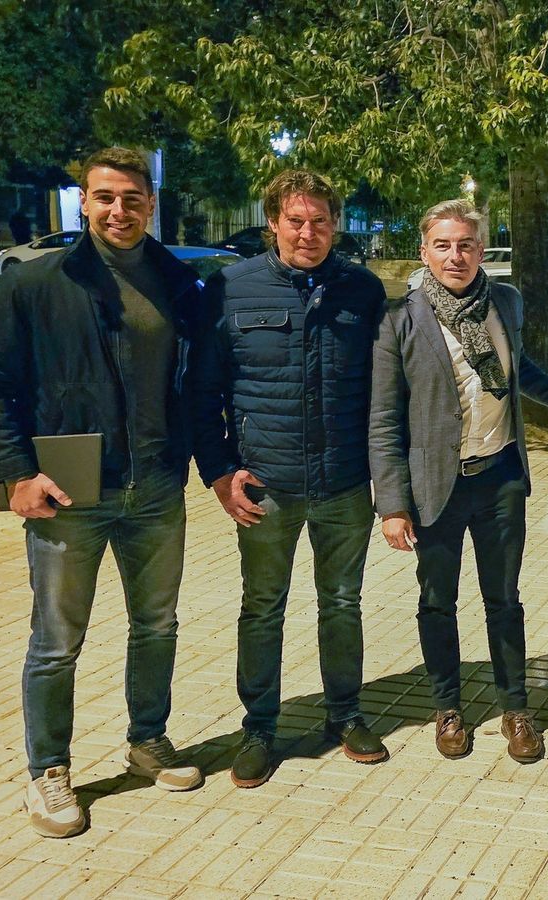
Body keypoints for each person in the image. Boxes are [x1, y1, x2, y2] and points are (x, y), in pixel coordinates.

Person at [0, 147, 204, 838]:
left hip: (156, 487)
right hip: (68, 492)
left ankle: (147, 741)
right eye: (104, 197)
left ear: (150, 203)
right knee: (57, 640)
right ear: (83, 203)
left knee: (157, 626)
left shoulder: (178, 283)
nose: (118, 210)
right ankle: (48, 772)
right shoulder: (35, 283)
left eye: (132, 198)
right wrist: (13, 473)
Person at [369, 199, 548, 763]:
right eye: (442, 245)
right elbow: (384, 418)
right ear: (424, 252)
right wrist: (392, 505)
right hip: (435, 486)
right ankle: (448, 708)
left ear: (481, 249)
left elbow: (520, 368)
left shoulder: (505, 303)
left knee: (504, 599)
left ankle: (515, 708)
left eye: (465, 244)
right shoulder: (400, 319)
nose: (455, 255)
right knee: (437, 602)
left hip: (499, 480)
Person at [189, 169, 389, 788]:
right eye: (296, 220)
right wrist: (220, 474)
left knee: (342, 604)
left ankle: (345, 713)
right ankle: (259, 728)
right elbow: (201, 392)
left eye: (321, 220)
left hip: (345, 486)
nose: (309, 232)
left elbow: (387, 393)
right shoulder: (230, 289)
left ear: (336, 223)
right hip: (266, 489)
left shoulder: (362, 290)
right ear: (273, 221)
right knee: (262, 608)